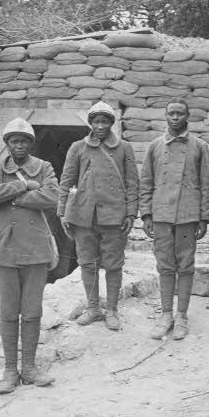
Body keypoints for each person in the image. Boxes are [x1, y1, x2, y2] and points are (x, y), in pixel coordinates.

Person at [0, 117, 60, 394]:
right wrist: (23, 187)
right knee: (9, 312)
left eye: (24, 141)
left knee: (32, 312)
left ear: (30, 143)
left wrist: (11, 199)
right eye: (14, 141)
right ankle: (10, 371)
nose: (19, 145)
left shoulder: (44, 167)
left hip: (36, 249)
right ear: (7, 144)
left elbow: (52, 198)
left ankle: (29, 368)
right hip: (4, 249)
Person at [57, 102, 139, 331]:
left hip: (114, 215)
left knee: (113, 265)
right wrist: (62, 211)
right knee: (87, 263)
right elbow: (67, 180)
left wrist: (131, 213)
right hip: (83, 214)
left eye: (105, 121)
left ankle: (112, 309)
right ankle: (93, 308)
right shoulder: (78, 147)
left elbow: (133, 182)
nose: (100, 126)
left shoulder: (124, 148)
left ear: (112, 124)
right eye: (96, 121)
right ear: (90, 123)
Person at [139, 97, 209, 341]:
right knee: (165, 265)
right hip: (161, 214)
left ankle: (182, 315)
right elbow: (146, 183)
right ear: (166, 115)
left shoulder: (199, 146)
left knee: (186, 265)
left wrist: (204, 217)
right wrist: (147, 214)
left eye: (179, 113)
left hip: (187, 215)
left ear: (187, 116)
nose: (174, 117)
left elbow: (206, 183)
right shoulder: (154, 146)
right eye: (171, 113)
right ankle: (166, 315)